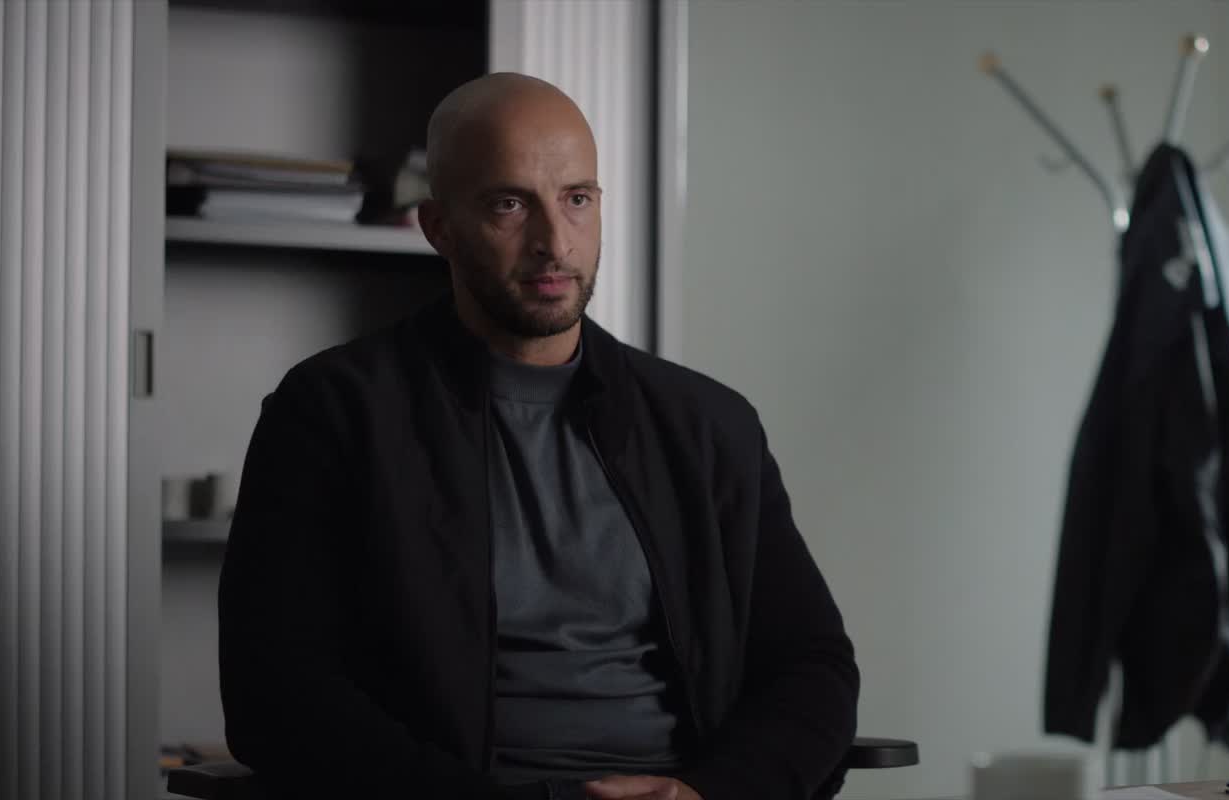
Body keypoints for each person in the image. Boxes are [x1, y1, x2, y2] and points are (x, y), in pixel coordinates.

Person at [217, 73, 859, 800]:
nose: (554, 243)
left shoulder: (708, 425)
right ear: (438, 227)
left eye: (577, 199)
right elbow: (277, 692)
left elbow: (813, 665)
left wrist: (710, 792)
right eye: (510, 204)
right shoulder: (334, 412)